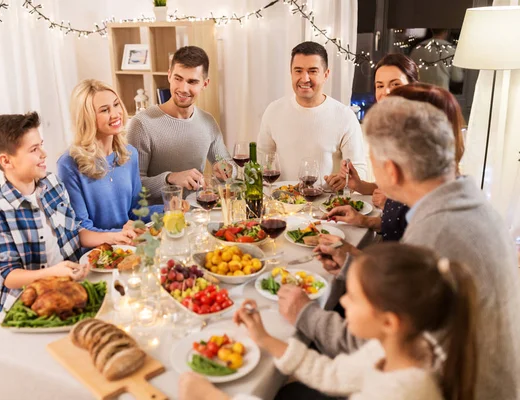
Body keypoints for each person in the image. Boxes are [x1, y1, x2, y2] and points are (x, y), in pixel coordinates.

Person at [280, 97, 520, 400]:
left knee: (288, 390)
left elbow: (375, 345)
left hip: (453, 390)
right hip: (481, 378)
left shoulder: (434, 233)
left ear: (391, 171)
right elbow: (408, 300)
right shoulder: (470, 204)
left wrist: (304, 313)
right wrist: (351, 263)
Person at [179, 243, 478, 400]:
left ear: (389, 322)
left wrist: (211, 397)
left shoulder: (399, 393)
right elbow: (333, 373)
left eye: (354, 298)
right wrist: (264, 338)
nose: (342, 301)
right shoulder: (394, 348)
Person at [0, 112, 130, 316]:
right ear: (6, 161)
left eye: (41, 144)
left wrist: (112, 236)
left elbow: (75, 233)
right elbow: (9, 275)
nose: (44, 153)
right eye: (34, 149)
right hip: (26, 303)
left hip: (69, 286)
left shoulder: (53, 184)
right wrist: (53, 274)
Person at [330, 83, 465, 242]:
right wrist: (364, 221)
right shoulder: (448, 195)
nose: (385, 94)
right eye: (379, 85)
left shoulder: (432, 231)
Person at [127, 46, 232, 204]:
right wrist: (170, 178)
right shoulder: (142, 124)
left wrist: (226, 168)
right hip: (158, 221)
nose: (183, 88)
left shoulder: (207, 122)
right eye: (178, 78)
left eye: (192, 82)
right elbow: (133, 187)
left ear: (205, 84)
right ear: (169, 75)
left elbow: (223, 160)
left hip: (197, 214)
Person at [57, 79, 162, 236]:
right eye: (105, 110)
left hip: (129, 245)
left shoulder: (129, 154)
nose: (115, 114)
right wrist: (121, 234)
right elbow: (81, 229)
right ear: (88, 117)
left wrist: (170, 207)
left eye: (116, 104)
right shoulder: (69, 164)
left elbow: (136, 211)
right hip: (97, 253)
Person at [257, 41, 367, 183]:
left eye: (312, 71)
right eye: (298, 71)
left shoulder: (345, 116)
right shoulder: (273, 110)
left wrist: (345, 180)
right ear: (291, 73)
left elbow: (359, 171)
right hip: (282, 201)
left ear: (326, 74)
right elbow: (261, 160)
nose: (305, 78)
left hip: (327, 203)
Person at [324, 53, 419, 198]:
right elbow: (388, 187)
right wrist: (357, 184)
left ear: (413, 87)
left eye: (395, 84)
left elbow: (429, 197)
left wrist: (390, 204)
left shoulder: (424, 131)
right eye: (380, 86)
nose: (385, 92)